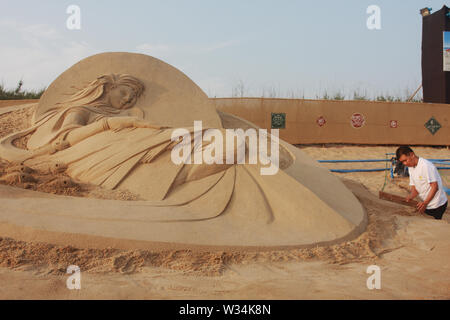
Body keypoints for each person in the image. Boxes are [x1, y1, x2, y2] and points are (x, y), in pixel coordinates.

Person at [396, 146, 448, 219]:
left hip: (437, 204)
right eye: (402, 162)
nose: (404, 163)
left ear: (412, 155)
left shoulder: (426, 166)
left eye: (405, 160)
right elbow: (414, 186)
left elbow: (435, 187)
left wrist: (425, 203)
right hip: (426, 203)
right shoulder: (410, 167)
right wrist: (411, 196)